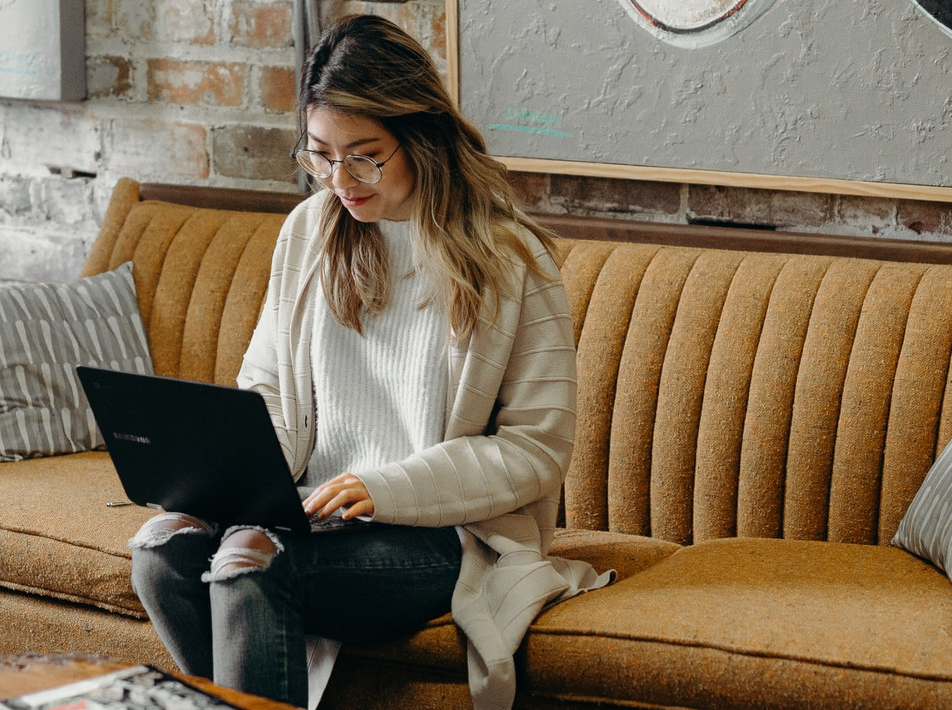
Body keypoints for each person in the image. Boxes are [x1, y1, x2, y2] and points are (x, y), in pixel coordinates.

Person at [126, 14, 609, 710]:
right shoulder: (309, 232)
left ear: (420, 137)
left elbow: (536, 448)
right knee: (161, 551)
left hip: (442, 535)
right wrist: (225, 476)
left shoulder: (509, 259)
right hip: (310, 515)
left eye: (365, 155)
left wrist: (386, 488)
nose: (339, 179)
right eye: (320, 155)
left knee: (249, 564)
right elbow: (266, 387)